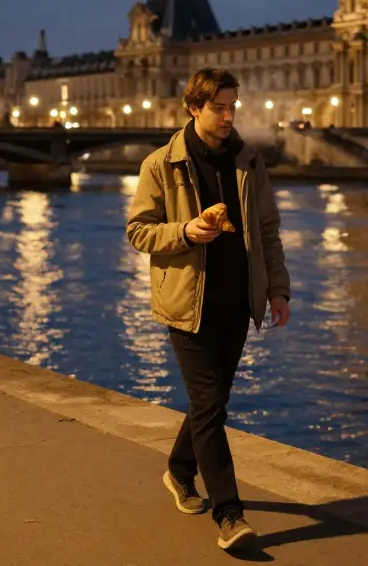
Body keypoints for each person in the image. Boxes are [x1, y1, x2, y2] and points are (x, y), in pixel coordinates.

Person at [126, 67, 292, 551]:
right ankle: (230, 515)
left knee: (209, 402)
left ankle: (179, 471)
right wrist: (184, 232)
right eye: (218, 107)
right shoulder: (161, 165)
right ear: (194, 108)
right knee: (210, 405)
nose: (228, 115)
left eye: (233, 105)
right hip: (187, 302)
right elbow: (138, 231)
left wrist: (276, 290)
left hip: (237, 302)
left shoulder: (249, 162)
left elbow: (266, 232)